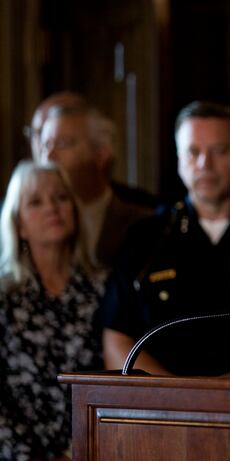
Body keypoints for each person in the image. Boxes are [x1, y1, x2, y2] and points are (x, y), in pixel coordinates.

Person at [99, 101, 230, 376]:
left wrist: (226, 395)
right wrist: (177, 398)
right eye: (193, 152)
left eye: (220, 151)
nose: (205, 164)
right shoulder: (147, 236)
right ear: (179, 160)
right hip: (162, 407)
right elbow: (117, 337)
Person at [0, 161, 104, 460]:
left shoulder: (103, 287)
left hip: (93, 449)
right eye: (36, 202)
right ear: (18, 224)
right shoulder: (4, 296)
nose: (52, 208)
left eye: (60, 198)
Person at [37, 103, 154, 270]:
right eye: (46, 145)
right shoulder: (25, 222)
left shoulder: (142, 224)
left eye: (63, 143)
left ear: (101, 154)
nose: (49, 156)